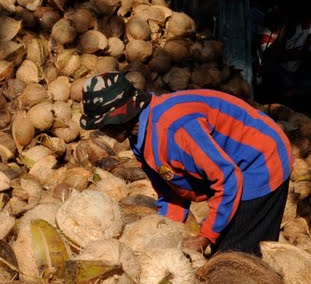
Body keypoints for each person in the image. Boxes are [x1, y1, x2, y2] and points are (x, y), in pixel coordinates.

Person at [80, 72, 294, 257]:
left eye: (104, 125)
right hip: (231, 169)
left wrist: (206, 236)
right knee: (220, 251)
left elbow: (228, 179)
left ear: (121, 117)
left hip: (260, 160)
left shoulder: (176, 129)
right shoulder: (139, 138)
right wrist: (165, 232)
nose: (102, 131)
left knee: (237, 259)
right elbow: (171, 192)